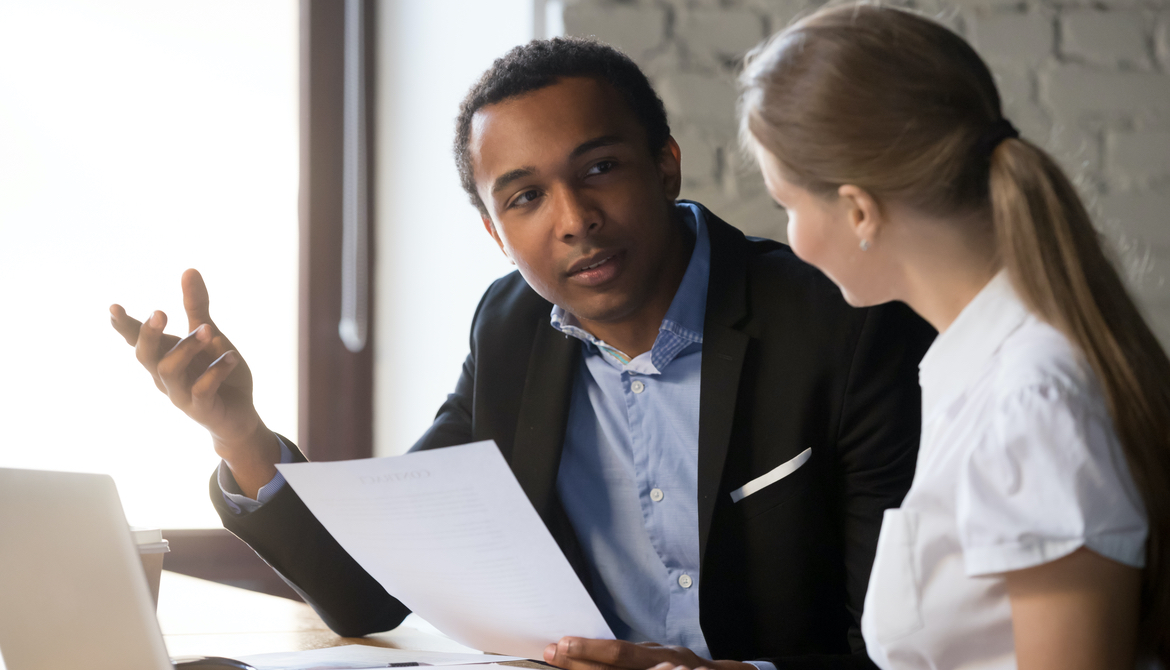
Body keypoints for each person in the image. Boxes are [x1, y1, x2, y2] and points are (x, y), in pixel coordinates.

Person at [110, 39, 934, 670]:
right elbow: (369, 591)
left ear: (665, 164)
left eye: (600, 168)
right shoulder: (512, 327)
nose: (574, 219)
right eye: (526, 197)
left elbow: (915, 643)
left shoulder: (843, 323)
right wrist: (239, 434)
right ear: (494, 234)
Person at [693, 4, 1167, 669]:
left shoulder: (1029, 401)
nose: (789, 236)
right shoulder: (980, 370)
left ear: (859, 209)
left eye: (787, 205)